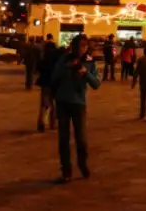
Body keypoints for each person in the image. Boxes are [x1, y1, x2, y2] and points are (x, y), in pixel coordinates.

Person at [52, 34, 101, 184]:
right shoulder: (64, 59)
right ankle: (66, 170)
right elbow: (54, 77)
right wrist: (66, 68)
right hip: (62, 102)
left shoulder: (89, 63)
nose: (80, 49)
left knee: (81, 138)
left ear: (86, 47)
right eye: (77, 46)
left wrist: (85, 73)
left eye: (83, 46)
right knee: (63, 139)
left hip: (79, 103)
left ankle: (82, 163)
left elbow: (96, 84)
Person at [37, 41, 62, 132]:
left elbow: (39, 68)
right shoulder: (57, 58)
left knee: (44, 104)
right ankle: (53, 122)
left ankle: (41, 122)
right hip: (55, 83)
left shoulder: (44, 58)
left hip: (45, 83)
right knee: (55, 104)